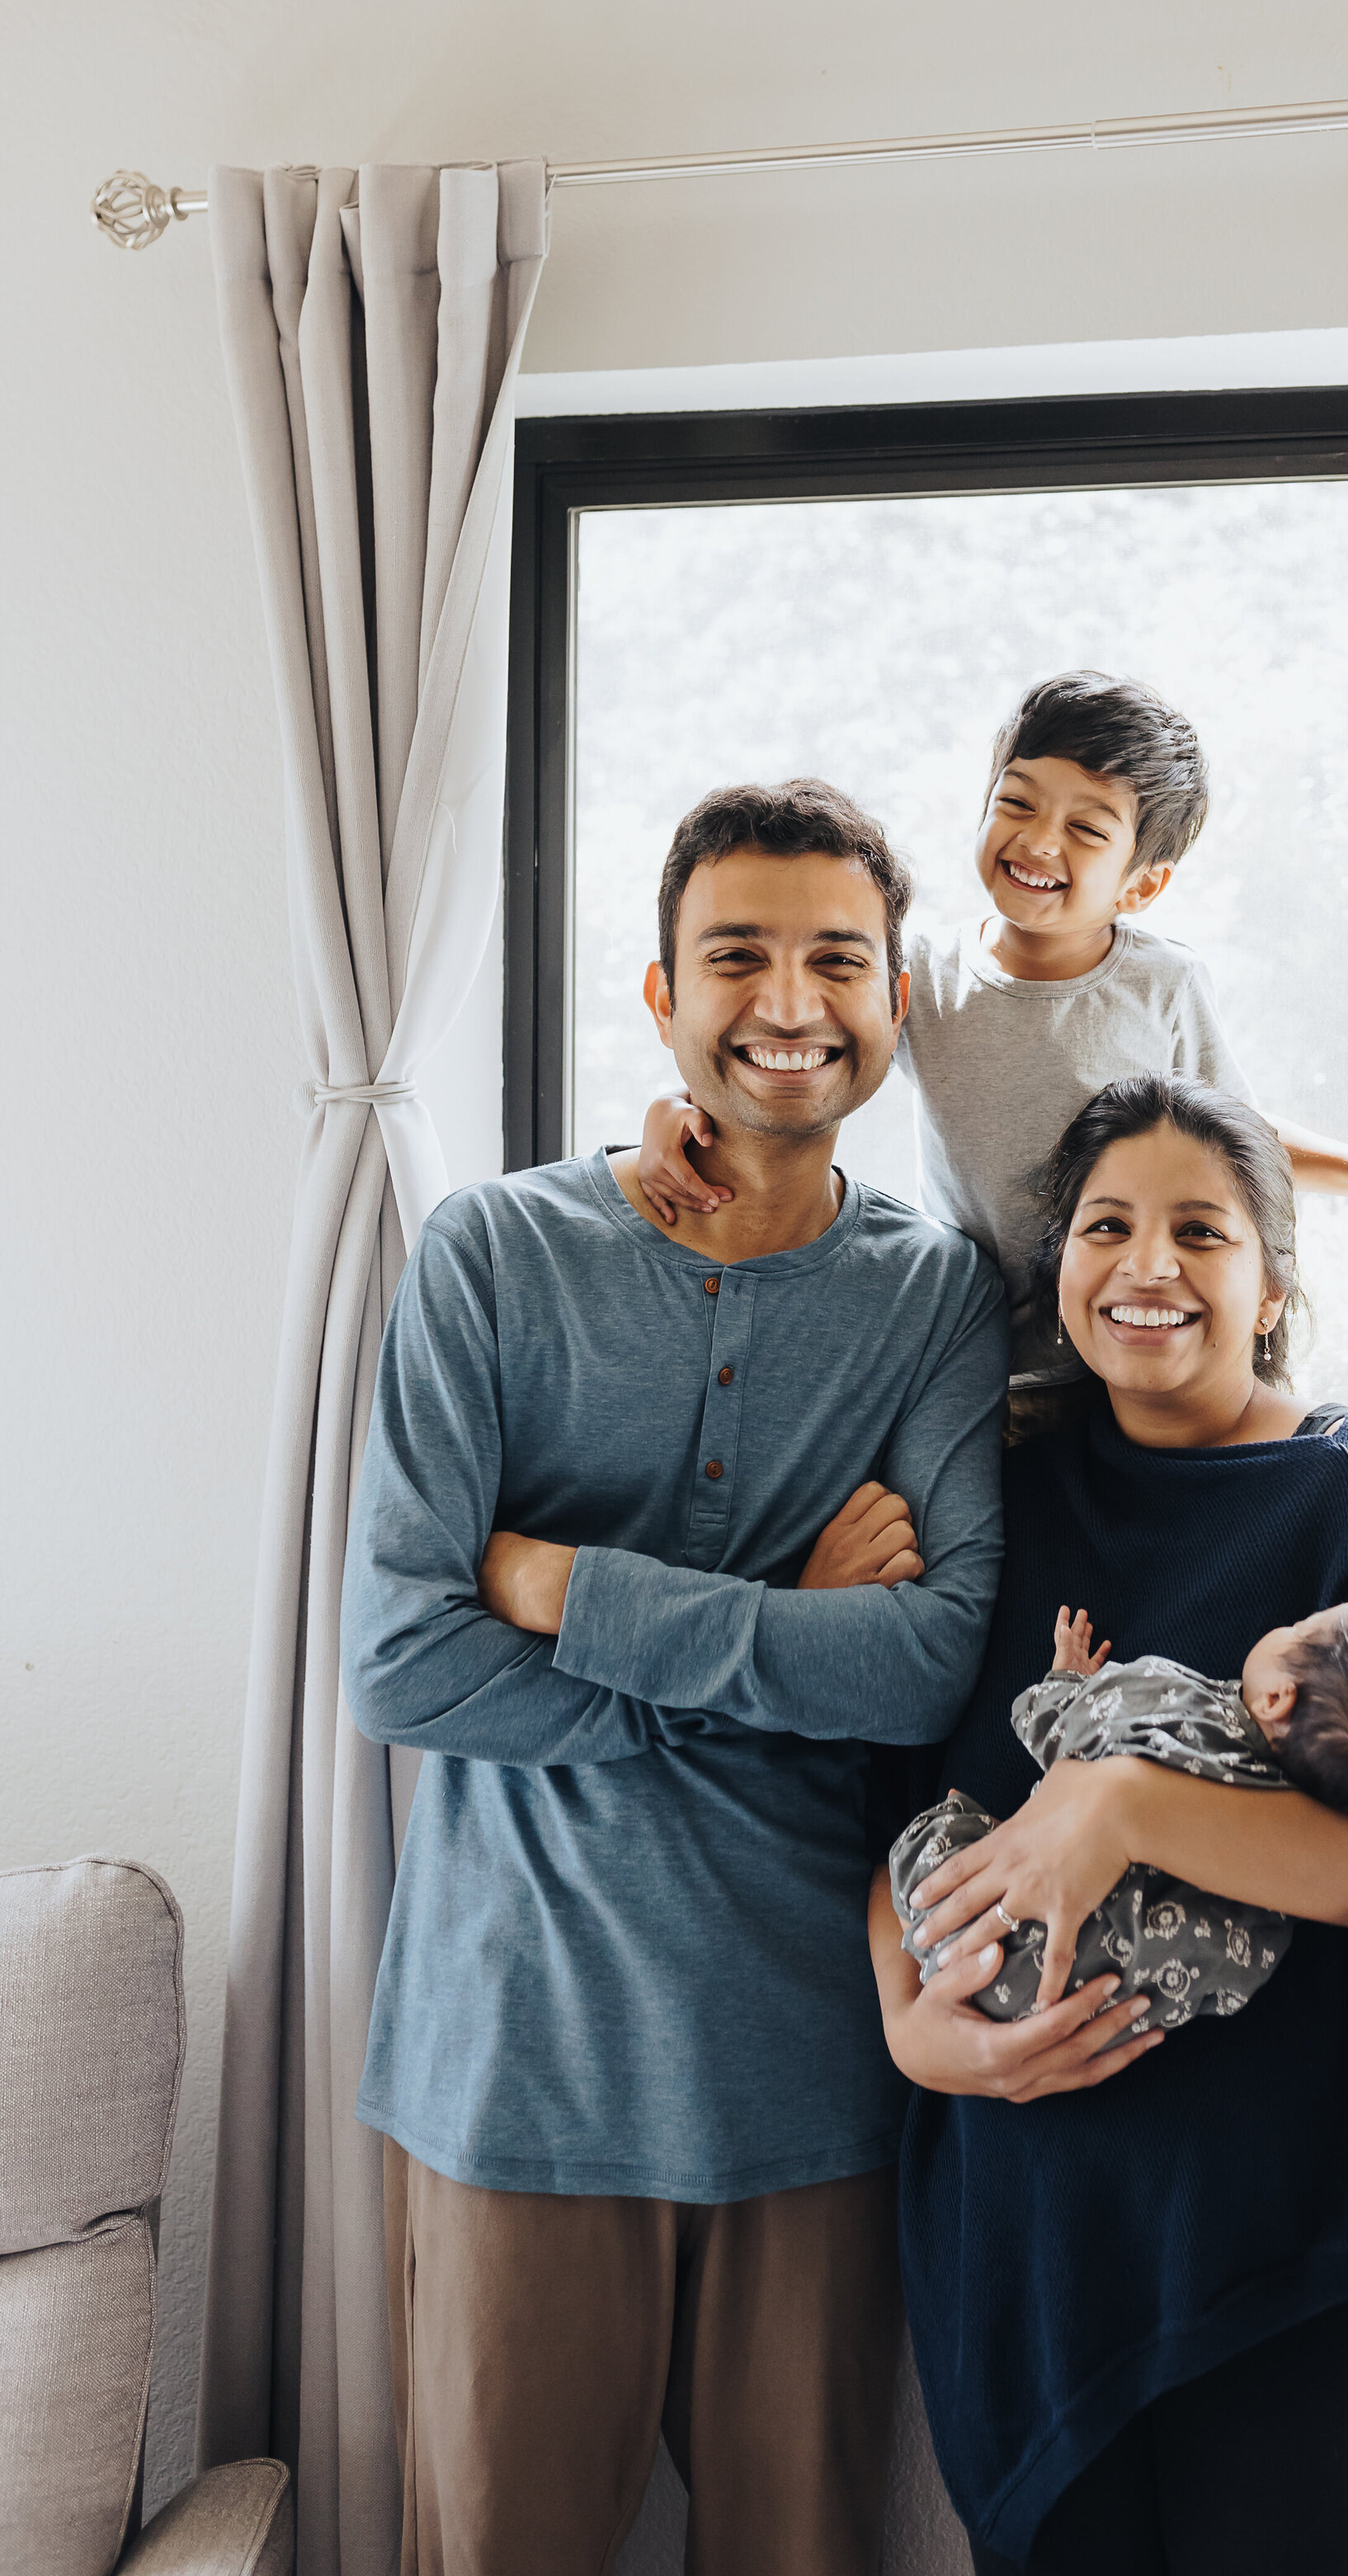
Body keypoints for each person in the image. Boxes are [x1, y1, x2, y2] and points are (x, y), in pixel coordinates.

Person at [341, 780, 1006, 2576]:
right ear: (660, 994)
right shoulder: (493, 1254)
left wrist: (566, 1588)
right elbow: (402, 1662)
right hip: (513, 2064)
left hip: (804, 2070)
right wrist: (779, 1623)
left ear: (895, 997)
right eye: (739, 956)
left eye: (835, 960)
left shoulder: (935, 1296)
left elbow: (930, 1666)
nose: (788, 1000)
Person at [869, 1074, 1348, 2576]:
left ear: (1272, 1287)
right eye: (1106, 1226)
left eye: (1200, 1232)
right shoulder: (1007, 1492)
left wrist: (1126, 1804)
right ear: (1054, 1265)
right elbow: (892, 1814)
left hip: (1328, 2263)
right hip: (1047, 2261)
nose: (1147, 1266)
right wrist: (911, 2034)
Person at [636, 669, 1348, 1381]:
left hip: (1126, 1322)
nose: (1037, 841)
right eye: (1017, 803)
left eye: (1085, 829)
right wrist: (678, 1110)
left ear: (1140, 886)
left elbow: (1236, 1137)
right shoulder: (921, 975)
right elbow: (801, 1059)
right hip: (974, 1337)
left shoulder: (1160, 983)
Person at [888, 1589, 1348, 2030]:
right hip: (1069, 2017)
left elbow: (1054, 1729)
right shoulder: (1277, 1873)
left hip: (969, 1940)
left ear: (1277, 1698)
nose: (1288, 1625)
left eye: (1299, 1628)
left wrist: (1064, 1680)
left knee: (934, 1831)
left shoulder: (1173, 1704)